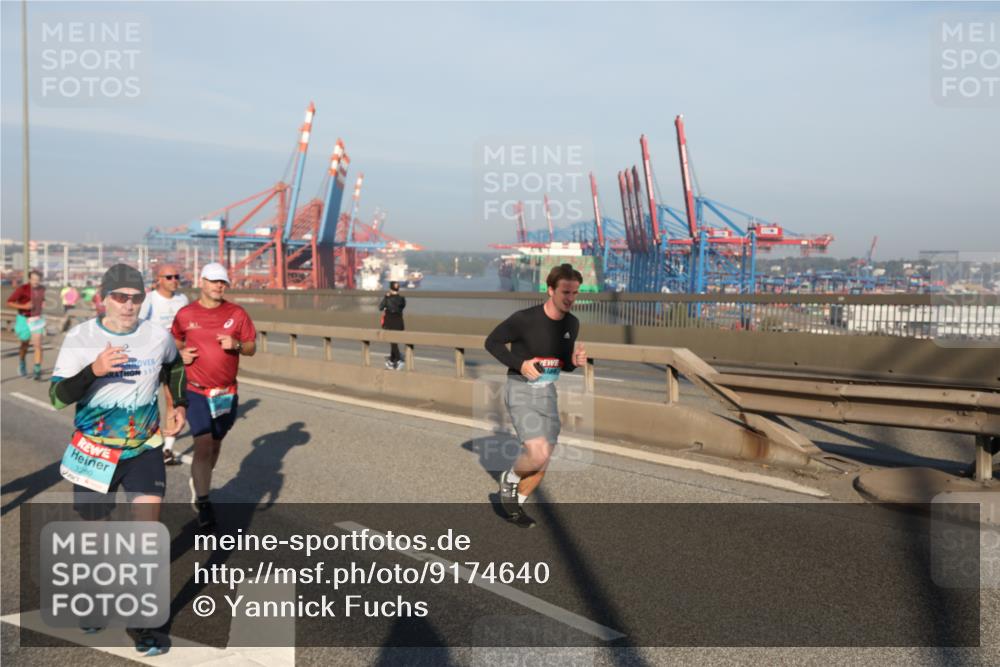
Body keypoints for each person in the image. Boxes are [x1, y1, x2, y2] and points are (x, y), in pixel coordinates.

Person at [49, 263, 187, 655]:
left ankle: (143, 626)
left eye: (136, 297)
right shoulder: (81, 337)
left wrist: (179, 403)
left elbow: (174, 365)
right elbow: (58, 397)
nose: (129, 305)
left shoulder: (156, 336)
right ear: (103, 298)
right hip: (93, 452)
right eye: (120, 297)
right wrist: (94, 370)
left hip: (143, 449)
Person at [484, 263, 587, 528]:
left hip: (547, 393)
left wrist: (574, 361)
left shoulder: (572, 324)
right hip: (520, 388)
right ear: (550, 289)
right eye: (566, 292)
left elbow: (561, 361)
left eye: (575, 293)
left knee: (543, 459)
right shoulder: (524, 319)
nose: (571, 298)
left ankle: (514, 505)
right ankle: (510, 479)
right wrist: (520, 365)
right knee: (537, 453)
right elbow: (491, 342)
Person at [171, 263, 256, 530]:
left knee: (216, 445)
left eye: (223, 282)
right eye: (214, 281)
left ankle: (200, 481)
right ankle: (205, 502)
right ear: (202, 282)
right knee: (204, 443)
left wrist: (237, 345)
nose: (219, 286)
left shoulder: (237, 313)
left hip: (226, 392)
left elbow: (252, 347)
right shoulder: (186, 314)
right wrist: (179, 355)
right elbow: (174, 340)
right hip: (196, 389)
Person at [139, 263, 190, 465]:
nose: (174, 280)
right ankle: (143, 443)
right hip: (150, 359)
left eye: (177, 276)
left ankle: (167, 450)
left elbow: (188, 328)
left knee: (172, 401)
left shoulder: (182, 299)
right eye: (169, 277)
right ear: (158, 279)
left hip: (173, 358)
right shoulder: (149, 300)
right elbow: (138, 327)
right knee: (147, 402)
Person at [6, 269, 47, 380]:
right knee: (25, 344)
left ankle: (37, 370)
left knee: (38, 345)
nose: (35, 281)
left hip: (36, 319)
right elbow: (9, 302)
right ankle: (22, 362)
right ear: (29, 279)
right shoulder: (22, 289)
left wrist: (43, 303)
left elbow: (42, 299)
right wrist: (24, 307)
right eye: (33, 279)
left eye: (38, 279)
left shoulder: (42, 289)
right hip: (23, 319)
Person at [378, 280, 406, 370]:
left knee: (393, 343)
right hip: (399, 323)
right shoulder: (402, 299)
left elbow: (380, 307)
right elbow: (401, 307)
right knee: (394, 342)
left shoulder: (387, 299)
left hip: (390, 323)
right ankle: (392, 359)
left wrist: (386, 297)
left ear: (390, 289)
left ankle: (398, 360)